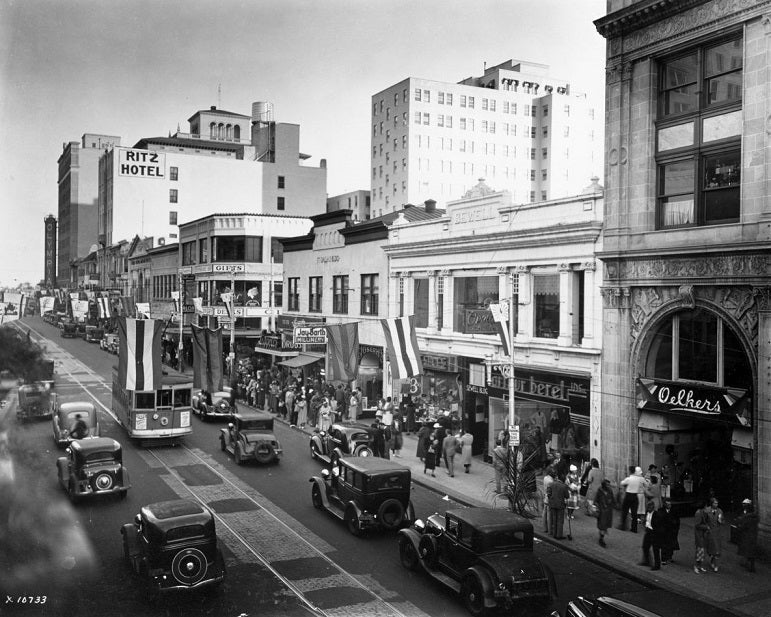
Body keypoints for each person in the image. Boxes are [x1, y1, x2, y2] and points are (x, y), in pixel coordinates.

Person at [619, 466, 647, 532]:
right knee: (634, 513)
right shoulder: (639, 479)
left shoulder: (629, 479)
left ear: (630, 471)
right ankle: (634, 528)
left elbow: (622, 483)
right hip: (635, 496)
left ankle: (623, 526)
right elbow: (646, 484)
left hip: (628, 495)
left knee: (625, 511)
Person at [735, 498, 758, 573]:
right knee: (752, 551)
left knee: (747, 550)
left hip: (746, 535)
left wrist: (738, 527)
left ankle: (749, 565)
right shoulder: (755, 517)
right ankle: (751, 565)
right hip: (753, 535)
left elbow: (743, 525)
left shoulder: (747, 517)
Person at [640, 501, 662, 570]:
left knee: (655, 549)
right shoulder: (647, 513)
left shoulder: (656, 514)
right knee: (645, 546)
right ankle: (647, 561)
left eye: (650, 507)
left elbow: (658, 525)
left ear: (653, 507)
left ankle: (657, 565)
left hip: (654, 532)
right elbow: (646, 521)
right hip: (648, 531)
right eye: (648, 507)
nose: (648, 508)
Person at [547, 473, 570, 539]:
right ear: (564, 480)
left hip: (552, 504)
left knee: (554, 519)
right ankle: (558, 535)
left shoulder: (552, 484)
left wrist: (551, 499)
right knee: (560, 520)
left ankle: (554, 534)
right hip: (560, 505)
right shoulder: (564, 486)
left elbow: (548, 493)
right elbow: (567, 496)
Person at [705, 496, 724, 572]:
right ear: (712, 503)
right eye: (715, 503)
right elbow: (703, 521)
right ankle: (712, 559)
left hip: (717, 533)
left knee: (717, 550)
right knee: (711, 549)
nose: (716, 504)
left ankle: (716, 565)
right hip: (709, 532)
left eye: (717, 503)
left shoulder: (720, 511)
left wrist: (721, 521)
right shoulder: (707, 511)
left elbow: (723, 521)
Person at [659, 499, 680, 565]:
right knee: (664, 545)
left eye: (670, 504)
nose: (669, 506)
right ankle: (663, 559)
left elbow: (677, 520)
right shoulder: (661, 511)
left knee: (671, 545)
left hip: (672, 531)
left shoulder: (674, 511)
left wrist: (676, 529)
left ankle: (669, 557)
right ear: (664, 505)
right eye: (667, 504)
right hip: (664, 531)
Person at [595, 479, 614, 548]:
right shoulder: (600, 491)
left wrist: (612, 502)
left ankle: (601, 536)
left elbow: (612, 499)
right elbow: (596, 500)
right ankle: (601, 539)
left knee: (605, 526)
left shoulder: (610, 491)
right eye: (607, 485)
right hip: (602, 511)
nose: (609, 486)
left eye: (609, 485)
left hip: (608, 511)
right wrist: (597, 508)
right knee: (602, 525)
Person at [693, 500, 710, 574]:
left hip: (702, 535)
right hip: (699, 535)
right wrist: (706, 527)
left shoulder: (702, 512)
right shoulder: (699, 513)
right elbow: (697, 525)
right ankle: (696, 566)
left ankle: (699, 566)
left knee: (702, 552)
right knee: (700, 551)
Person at [541, 466, 555, 533]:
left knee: (544, 513)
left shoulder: (545, 478)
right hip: (549, 498)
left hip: (545, 496)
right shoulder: (551, 481)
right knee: (549, 515)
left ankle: (544, 528)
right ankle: (550, 530)